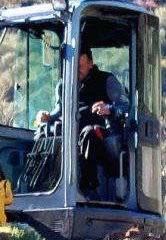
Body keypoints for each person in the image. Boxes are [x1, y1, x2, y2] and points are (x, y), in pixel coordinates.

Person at [36, 49, 126, 197]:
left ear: (90, 63)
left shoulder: (106, 80)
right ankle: (46, 185)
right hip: (72, 133)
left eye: (80, 66)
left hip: (100, 134)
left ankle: (90, 186)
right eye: (73, 66)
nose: (76, 71)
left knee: (90, 133)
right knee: (48, 132)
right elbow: (59, 110)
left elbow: (125, 105)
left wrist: (109, 109)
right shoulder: (64, 86)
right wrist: (46, 116)